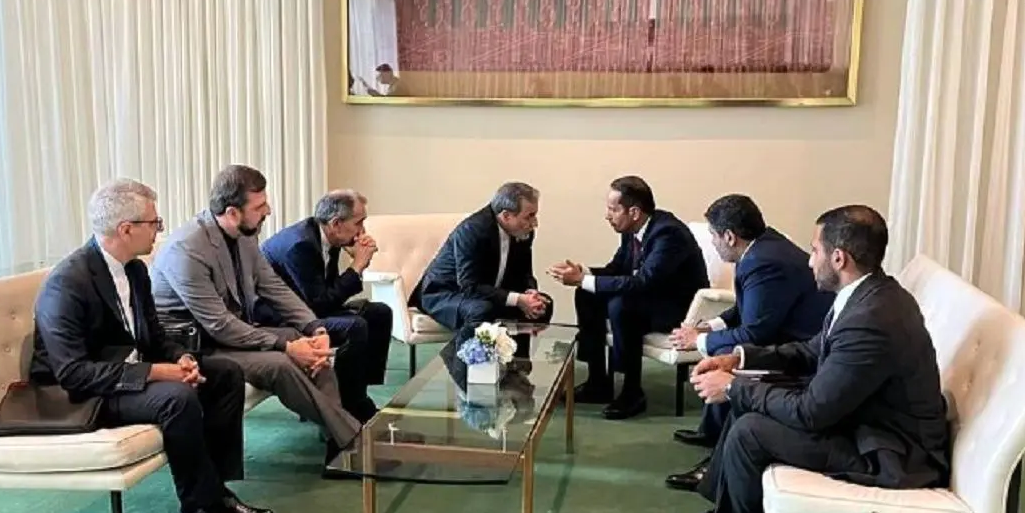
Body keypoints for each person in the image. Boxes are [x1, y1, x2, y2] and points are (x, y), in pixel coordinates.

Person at [665, 205, 949, 513]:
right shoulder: (868, 293)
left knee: (750, 431)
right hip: (867, 421)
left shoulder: (871, 318)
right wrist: (740, 360)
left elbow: (812, 413)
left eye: (815, 250)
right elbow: (812, 350)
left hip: (891, 452)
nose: (809, 260)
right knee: (748, 402)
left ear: (839, 258)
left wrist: (732, 388)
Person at [30, 178, 273, 513]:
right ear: (126, 229)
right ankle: (194, 511)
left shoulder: (135, 271)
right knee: (176, 398)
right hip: (83, 395)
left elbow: (154, 339)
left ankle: (216, 493)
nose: (160, 230)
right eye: (154, 223)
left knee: (224, 374)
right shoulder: (68, 283)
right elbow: (73, 374)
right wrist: (158, 373)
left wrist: (180, 358)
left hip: (123, 375)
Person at [149, 165, 364, 469]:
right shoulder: (186, 250)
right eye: (260, 206)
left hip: (233, 334)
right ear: (232, 212)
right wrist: (286, 347)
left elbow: (273, 286)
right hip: (197, 347)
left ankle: (338, 443)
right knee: (279, 364)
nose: (269, 211)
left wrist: (314, 327)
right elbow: (219, 324)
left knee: (312, 345)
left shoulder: (244, 235)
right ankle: (354, 440)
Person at [665, 194, 834, 490]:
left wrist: (701, 340)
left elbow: (755, 333)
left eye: (714, 236)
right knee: (724, 348)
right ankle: (712, 432)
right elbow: (749, 308)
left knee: (730, 355)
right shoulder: (763, 247)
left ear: (730, 237)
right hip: (790, 335)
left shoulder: (763, 262)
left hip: (803, 350)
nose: (713, 243)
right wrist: (710, 326)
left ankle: (716, 465)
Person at [547, 176, 708, 420]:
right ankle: (598, 381)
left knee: (622, 305)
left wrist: (583, 279)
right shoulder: (632, 230)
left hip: (677, 309)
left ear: (634, 212)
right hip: (650, 299)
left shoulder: (668, 234)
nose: (607, 215)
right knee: (587, 294)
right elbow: (617, 269)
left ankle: (632, 391)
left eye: (613, 209)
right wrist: (583, 274)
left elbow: (644, 281)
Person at [259, 189, 390, 420]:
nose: (362, 231)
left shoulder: (328, 236)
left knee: (379, 313)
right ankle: (350, 406)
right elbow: (320, 305)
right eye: (359, 223)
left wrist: (353, 257)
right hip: (280, 319)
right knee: (355, 327)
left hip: (308, 306)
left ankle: (357, 392)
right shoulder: (301, 246)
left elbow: (326, 293)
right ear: (336, 223)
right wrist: (357, 266)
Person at [410, 182, 553, 331]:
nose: (534, 223)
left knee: (543, 306)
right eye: (529, 216)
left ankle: (514, 348)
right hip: (446, 294)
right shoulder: (472, 231)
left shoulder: (524, 232)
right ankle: (462, 348)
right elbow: (469, 286)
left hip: (488, 294)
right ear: (506, 216)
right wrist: (518, 299)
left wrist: (530, 293)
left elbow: (525, 273)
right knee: (481, 310)